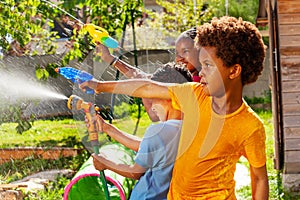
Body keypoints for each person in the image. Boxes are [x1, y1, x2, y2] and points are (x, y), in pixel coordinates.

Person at [80, 16, 269, 199]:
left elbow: (259, 178)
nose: (200, 72)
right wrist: (99, 86)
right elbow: (148, 87)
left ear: (234, 71)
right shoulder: (195, 95)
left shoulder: (250, 126)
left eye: (208, 66)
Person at [92, 62, 193, 200]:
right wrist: (107, 128)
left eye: (153, 99)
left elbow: (136, 172)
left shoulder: (159, 131)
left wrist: (106, 163)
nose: (152, 107)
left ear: (168, 97)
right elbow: (148, 146)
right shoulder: (191, 128)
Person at [95, 27, 201, 122]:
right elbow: (140, 76)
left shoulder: (201, 85)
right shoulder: (179, 77)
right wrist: (109, 58)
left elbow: (153, 114)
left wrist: (99, 86)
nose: (179, 58)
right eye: (177, 53)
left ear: (201, 51)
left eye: (185, 51)